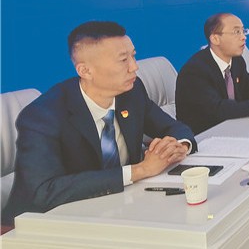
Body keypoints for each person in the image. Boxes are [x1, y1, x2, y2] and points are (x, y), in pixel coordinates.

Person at [2, 21, 196, 227]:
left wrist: (178, 146)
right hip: (44, 223)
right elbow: (44, 192)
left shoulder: (132, 92)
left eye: (133, 56)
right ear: (85, 70)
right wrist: (140, 170)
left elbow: (173, 127)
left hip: (120, 209)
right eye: (123, 60)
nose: (134, 67)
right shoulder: (43, 115)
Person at [176, 13, 249, 134]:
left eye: (243, 31)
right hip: (205, 135)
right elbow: (219, 109)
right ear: (215, 39)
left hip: (233, 127)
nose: (243, 37)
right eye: (236, 32)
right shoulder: (195, 71)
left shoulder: (237, 61)